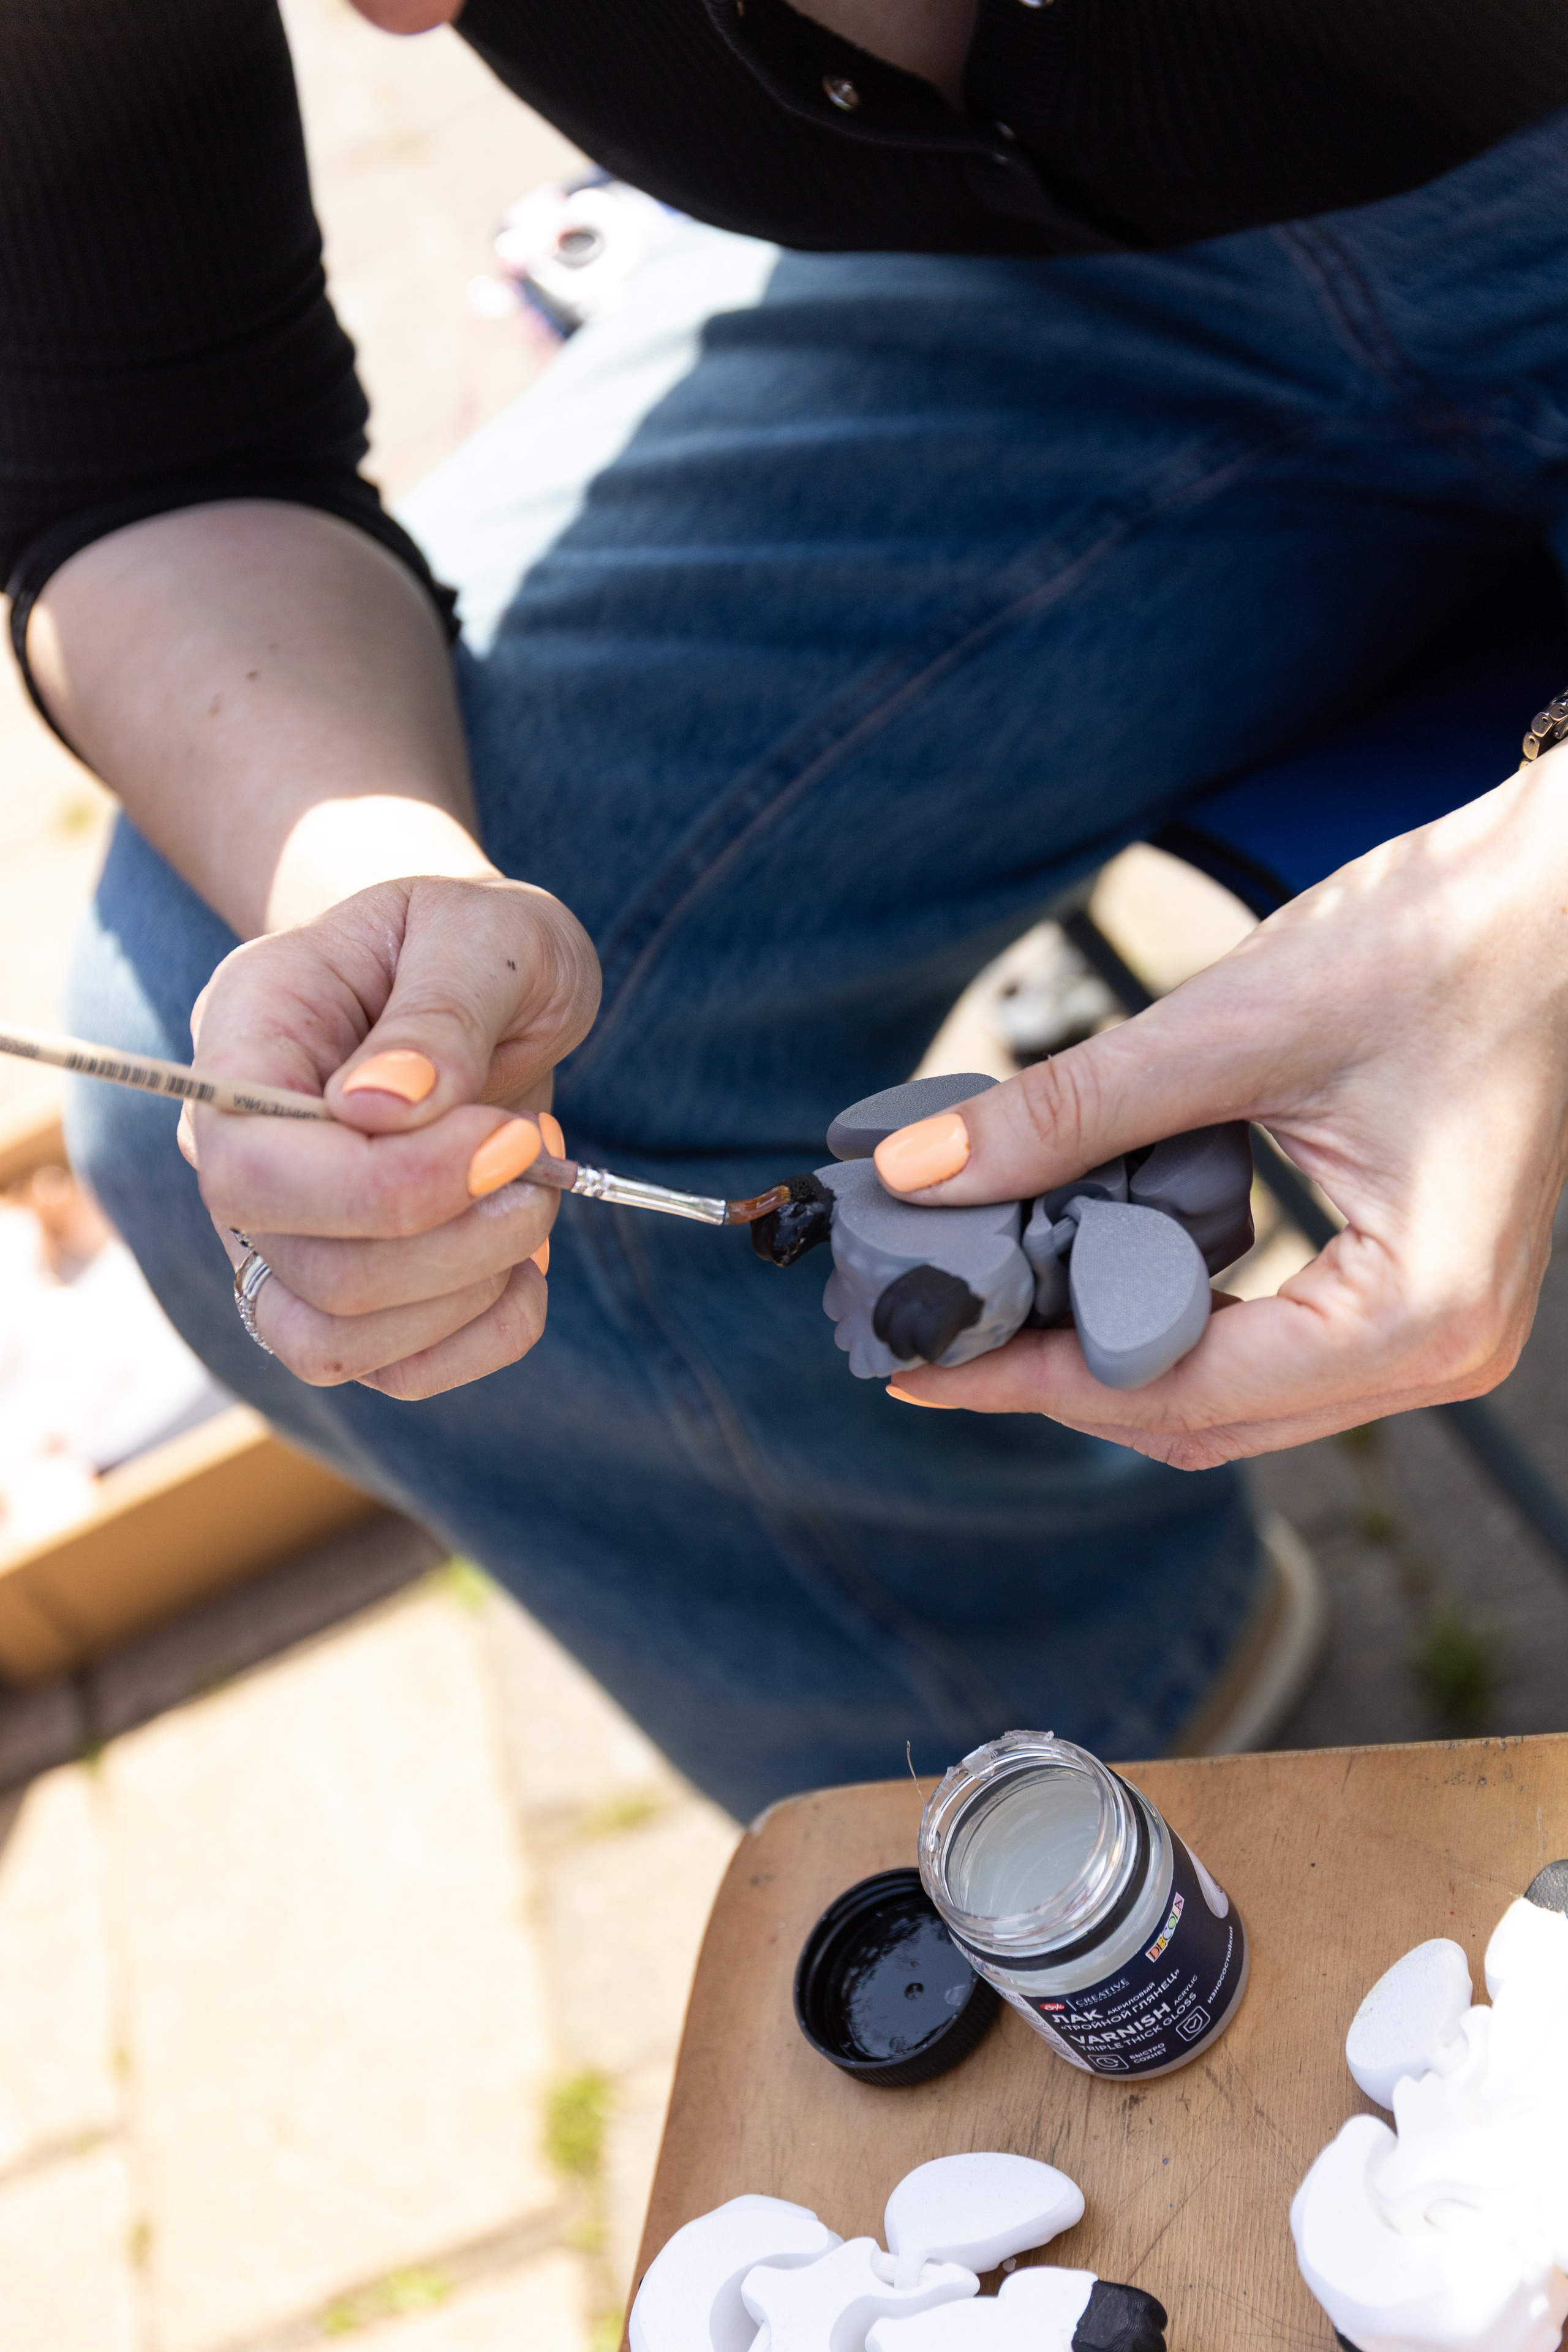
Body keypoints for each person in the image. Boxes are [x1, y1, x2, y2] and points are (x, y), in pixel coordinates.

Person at [4, 0, 1568, 1821]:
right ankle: (1114, 1752)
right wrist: (383, 880)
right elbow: (141, 457)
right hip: (1054, 295)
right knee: (199, 996)